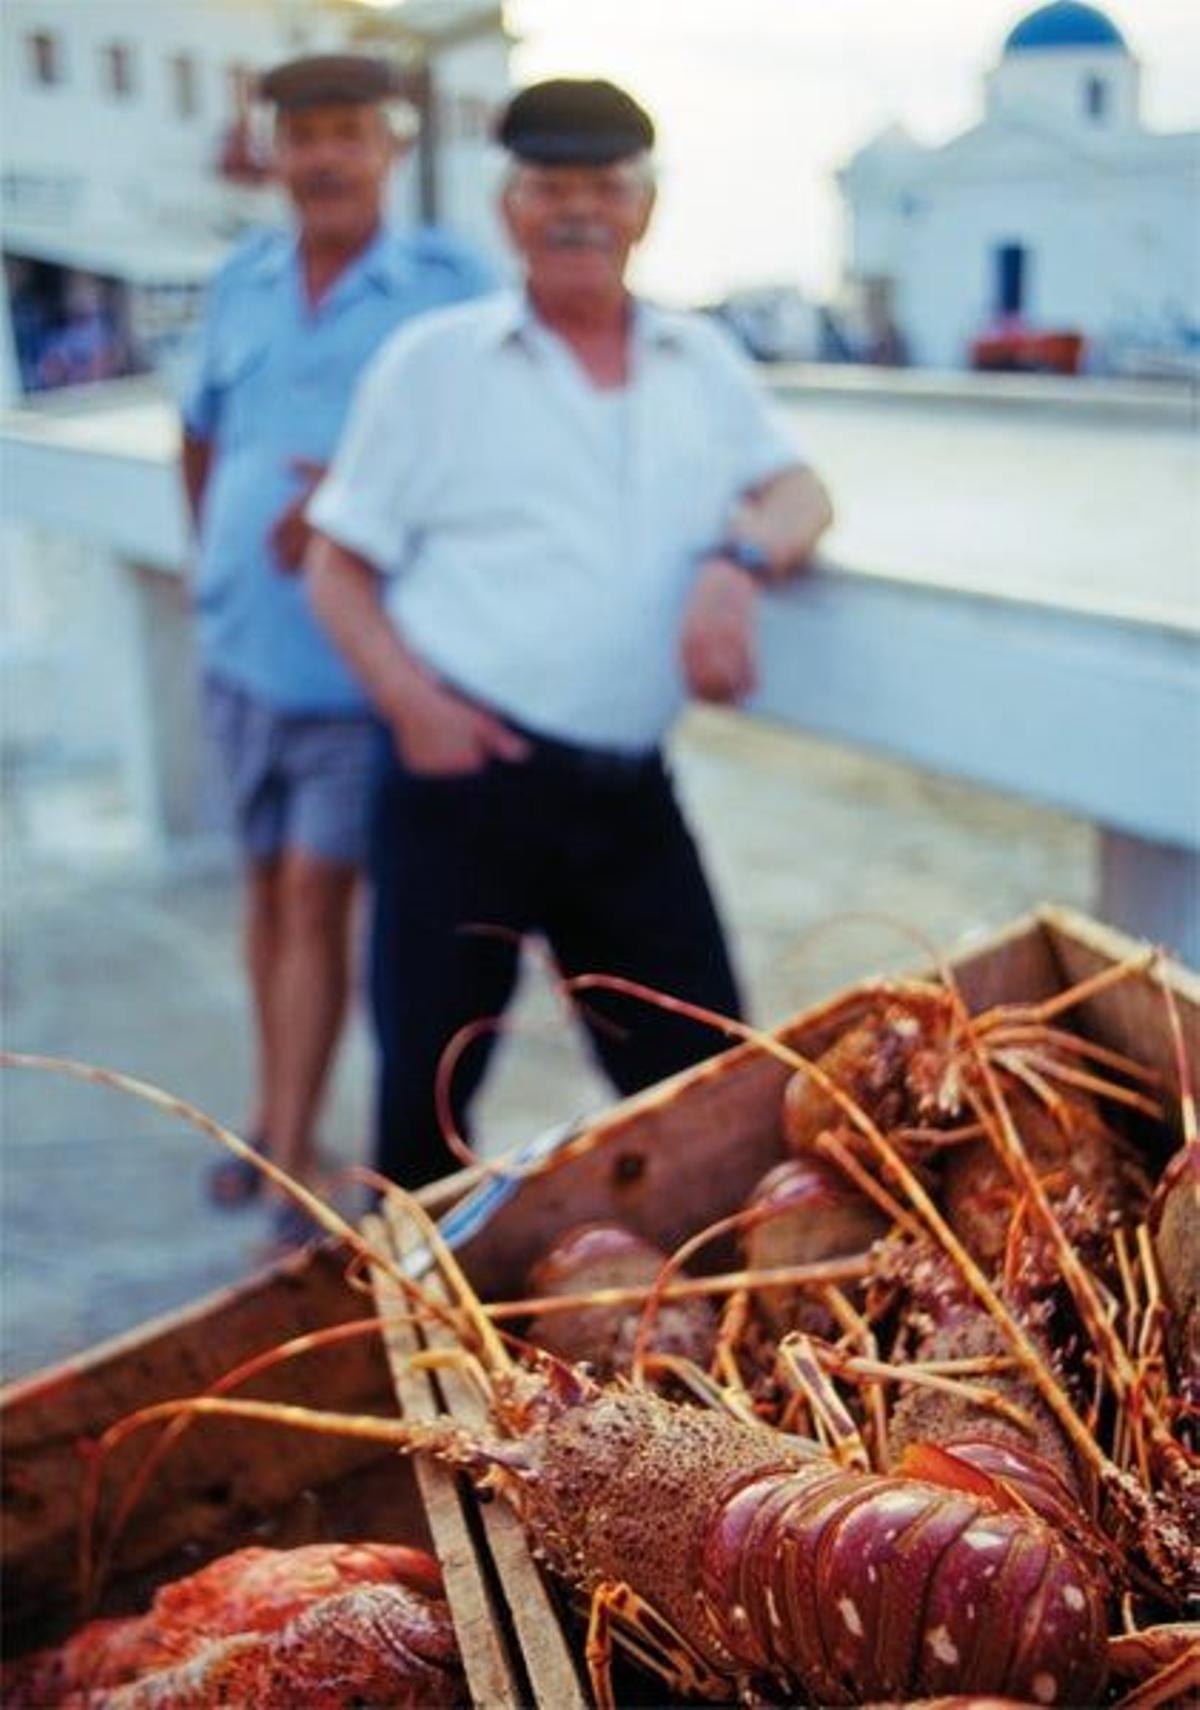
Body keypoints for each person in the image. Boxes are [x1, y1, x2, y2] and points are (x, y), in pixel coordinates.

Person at [307, 78, 834, 1190]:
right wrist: (413, 705)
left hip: (627, 800)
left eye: (606, 185)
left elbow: (801, 492)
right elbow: (334, 566)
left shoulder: (704, 360)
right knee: (424, 1111)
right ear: (511, 209)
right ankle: (411, 1331)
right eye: (551, 186)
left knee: (716, 1093)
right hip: (463, 791)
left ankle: (715, 1318)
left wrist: (734, 566)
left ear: (646, 208)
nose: (579, 210)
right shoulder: (433, 363)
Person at [179, 53, 493, 1245]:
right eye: (301, 134)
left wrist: (356, 502)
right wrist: (209, 565)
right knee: (263, 892)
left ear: (390, 146)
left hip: (356, 666)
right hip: (241, 648)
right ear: (275, 150)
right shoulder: (239, 281)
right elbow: (199, 437)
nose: (322, 157)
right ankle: (280, 1120)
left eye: (346, 133)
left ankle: (293, 1186)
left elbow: (487, 464)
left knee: (321, 894)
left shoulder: (449, 283)